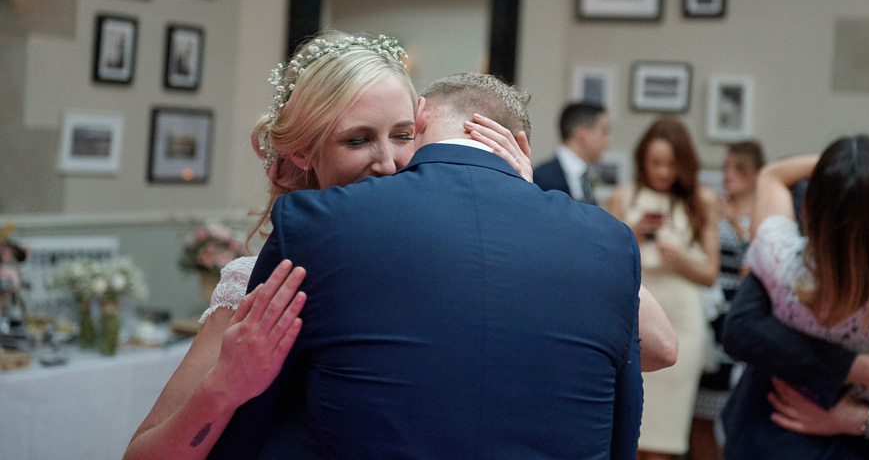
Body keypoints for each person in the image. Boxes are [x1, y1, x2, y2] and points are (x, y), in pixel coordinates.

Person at [124, 34, 533, 460]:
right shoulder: (264, 282)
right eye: (357, 140)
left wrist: (518, 204)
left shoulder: (464, 264)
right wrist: (224, 385)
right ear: (302, 151)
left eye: (402, 135)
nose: (389, 162)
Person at [208, 73, 647, 459]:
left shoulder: (312, 223)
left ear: (419, 117)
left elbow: (252, 415)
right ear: (520, 148)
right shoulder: (609, 242)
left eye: (401, 134)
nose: (388, 159)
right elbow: (622, 430)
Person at [722, 86, 869, 459]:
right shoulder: (822, 198)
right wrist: (864, 370)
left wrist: (863, 420)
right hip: (778, 436)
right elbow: (743, 329)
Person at [608, 116, 721, 460]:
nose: (662, 171)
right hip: (632, 320)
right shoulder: (624, 195)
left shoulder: (701, 199)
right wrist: (635, 231)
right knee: (624, 431)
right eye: (655, 162)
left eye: (671, 164)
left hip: (682, 325)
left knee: (665, 439)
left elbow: (710, 274)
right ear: (642, 159)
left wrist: (680, 258)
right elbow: (602, 258)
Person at [689, 141, 765, 460]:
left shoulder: (765, 213)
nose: (728, 175)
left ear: (755, 175)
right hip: (712, 316)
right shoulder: (711, 208)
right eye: (726, 167)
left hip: (747, 316)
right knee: (702, 410)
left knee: (736, 411)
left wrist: (736, 223)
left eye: (738, 169)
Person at [533, 101, 610, 204]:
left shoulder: (584, 177)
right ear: (583, 134)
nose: (608, 141)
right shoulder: (541, 177)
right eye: (604, 131)